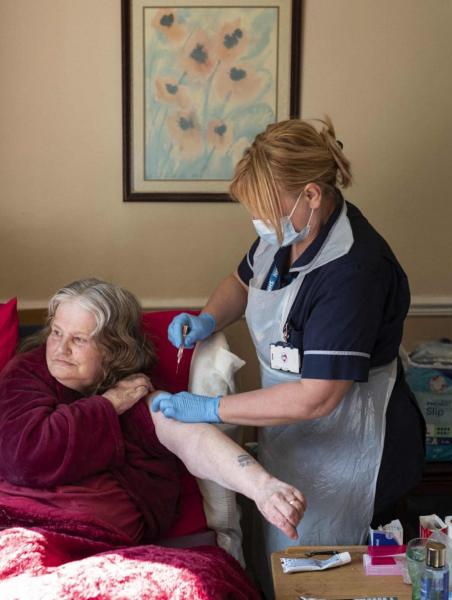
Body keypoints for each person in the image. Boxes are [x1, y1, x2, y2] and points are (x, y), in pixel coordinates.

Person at [152, 117, 425, 558]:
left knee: (335, 572)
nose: (258, 222)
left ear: (312, 195)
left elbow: (316, 398)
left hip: (353, 450)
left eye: (265, 209)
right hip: (295, 437)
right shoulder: (285, 233)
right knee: (287, 561)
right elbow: (241, 283)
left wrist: (211, 408)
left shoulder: (352, 270)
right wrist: (207, 318)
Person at [0, 278, 305, 546]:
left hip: (93, 541)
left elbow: (193, 440)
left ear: (114, 349)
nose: (59, 349)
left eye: (79, 339)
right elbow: (23, 455)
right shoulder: (26, 373)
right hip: (0, 525)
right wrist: (108, 405)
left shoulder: (138, 390)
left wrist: (263, 488)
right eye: (56, 332)